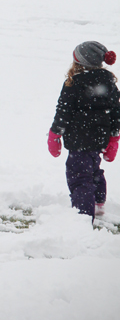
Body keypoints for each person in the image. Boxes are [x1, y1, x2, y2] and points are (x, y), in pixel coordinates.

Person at [48, 41, 120, 220]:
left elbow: (63, 111)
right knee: (94, 168)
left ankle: (83, 217)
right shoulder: (108, 81)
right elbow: (116, 112)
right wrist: (114, 139)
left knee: (80, 177)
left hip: (79, 138)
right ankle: (98, 203)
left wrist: (55, 134)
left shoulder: (73, 82)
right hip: (99, 137)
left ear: (78, 62)